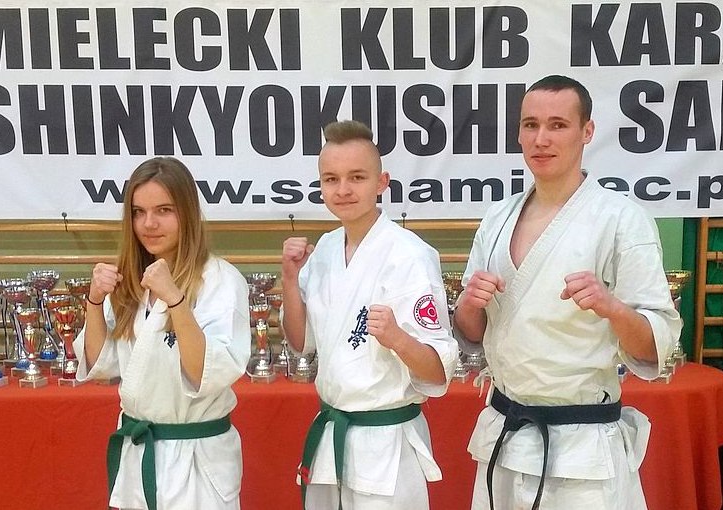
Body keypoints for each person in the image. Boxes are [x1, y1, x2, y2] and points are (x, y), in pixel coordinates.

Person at [453, 75, 682, 510]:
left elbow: (654, 349)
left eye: (557, 125)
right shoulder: (497, 218)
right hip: (505, 434)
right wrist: (469, 304)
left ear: (587, 131)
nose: (541, 139)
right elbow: (471, 333)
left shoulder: (622, 220)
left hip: (582, 447)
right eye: (530, 125)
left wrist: (612, 308)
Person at [281, 119, 459, 509]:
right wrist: (291, 280)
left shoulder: (410, 255)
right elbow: (299, 342)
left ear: (382, 183)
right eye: (331, 179)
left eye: (357, 177)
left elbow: (437, 372)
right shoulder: (325, 250)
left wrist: (398, 339)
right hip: (332, 434)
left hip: (387, 446)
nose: (343, 189)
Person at [74, 156, 252, 510]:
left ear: (187, 212)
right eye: (138, 212)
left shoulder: (221, 281)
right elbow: (99, 364)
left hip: (198, 458)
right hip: (140, 451)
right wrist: (94, 301)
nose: (149, 224)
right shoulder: (130, 282)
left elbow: (206, 373)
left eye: (164, 210)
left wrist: (175, 300)